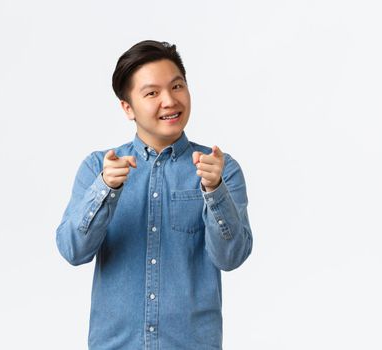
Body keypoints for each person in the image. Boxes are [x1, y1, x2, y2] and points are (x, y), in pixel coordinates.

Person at [55, 40, 253, 349]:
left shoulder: (220, 169)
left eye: (177, 86)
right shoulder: (98, 167)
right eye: (152, 93)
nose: (169, 101)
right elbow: (73, 250)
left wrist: (214, 191)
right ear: (127, 107)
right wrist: (106, 189)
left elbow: (231, 257)